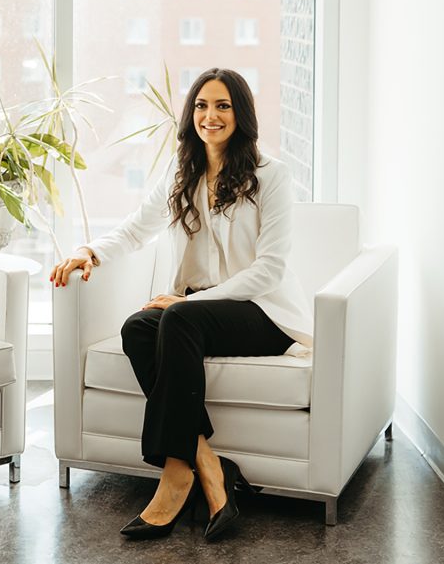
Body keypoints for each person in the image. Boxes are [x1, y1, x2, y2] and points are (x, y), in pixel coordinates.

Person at [49, 67, 314, 542]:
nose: (210, 116)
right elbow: (135, 227)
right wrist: (89, 251)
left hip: (264, 311)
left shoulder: (272, 176)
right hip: (196, 314)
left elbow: (270, 269)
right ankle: (208, 463)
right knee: (138, 328)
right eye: (201, 106)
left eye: (223, 106)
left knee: (177, 315)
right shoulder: (181, 172)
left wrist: (190, 300)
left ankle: (174, 478)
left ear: (242, 115)